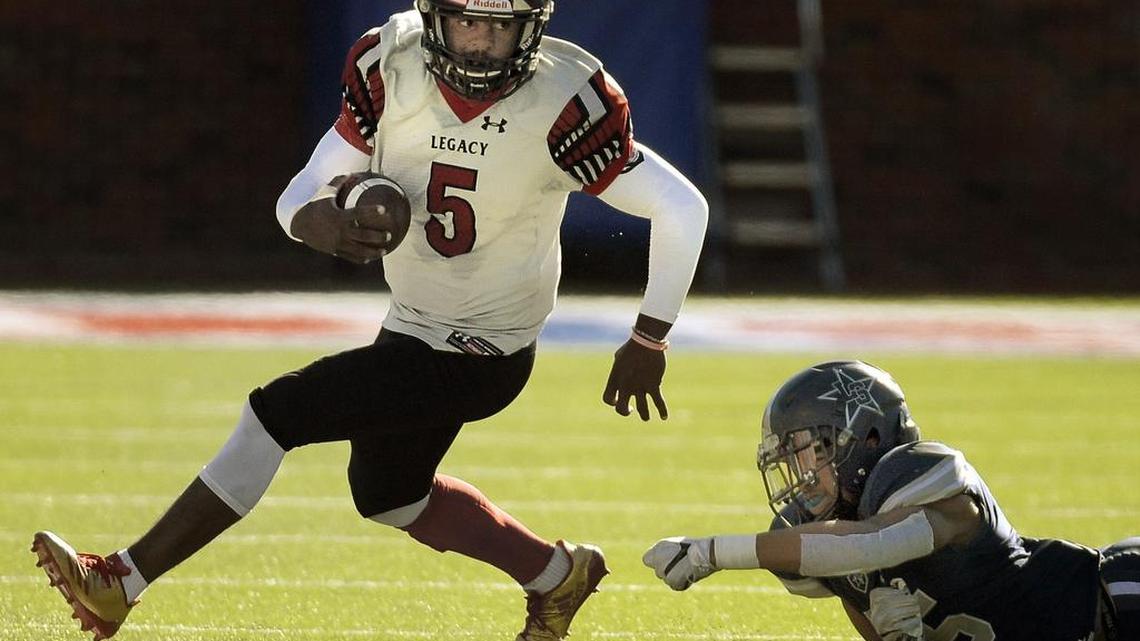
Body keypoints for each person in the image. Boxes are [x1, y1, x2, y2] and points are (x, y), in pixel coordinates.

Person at [31, 2, 708, 640]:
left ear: (529, 30)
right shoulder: (391, 66)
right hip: (414, 322)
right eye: (464, 21)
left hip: (484, 347)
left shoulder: (566, 101)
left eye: (497, 28)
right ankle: (559, 574)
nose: (477, 42)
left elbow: (681, 208)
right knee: (387, 494)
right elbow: (302, 189)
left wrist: (650, 333)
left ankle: (122, 577)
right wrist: (316, 221)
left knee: (279, 411)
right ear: (432, 15)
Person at [642, 360, 1138, 641]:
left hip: (1113, 605)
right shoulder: (827, 553)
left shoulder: (919, 473)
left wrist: (716, 552)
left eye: (808, 453)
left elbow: (873, 543)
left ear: (865, 438)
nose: (801, 477)